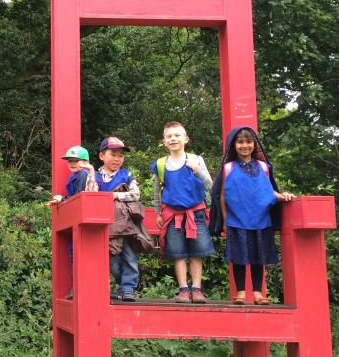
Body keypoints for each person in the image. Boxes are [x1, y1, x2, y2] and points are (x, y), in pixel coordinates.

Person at [209, 126, 295, 305]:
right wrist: (224, 220)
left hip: (261, 219)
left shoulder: (264, 166)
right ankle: (240, 293)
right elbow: (222, 195)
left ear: (254, 144)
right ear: (234, 145)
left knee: (259, 257)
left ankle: (257, 294)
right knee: (238, 258)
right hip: (236, 220)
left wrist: (283, 196)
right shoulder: (228, 167)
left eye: (248, 141)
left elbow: (269, 191)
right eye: (240, 142)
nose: (244, 145)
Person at [151, 121, 215, 303]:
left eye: (177, 135)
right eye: (169, 136)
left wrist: (196, 170)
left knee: (197, 252)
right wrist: (158, 213)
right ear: (164, 141)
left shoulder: (196, 160)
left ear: (186, 139)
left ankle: (196, 288)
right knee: (177, 253)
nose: (173, 139)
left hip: (196, 213)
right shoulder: (161, 164)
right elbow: (157, 192)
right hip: (172, 215)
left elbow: (209, 185)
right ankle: (183, 290)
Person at [95, 136, 152, 302]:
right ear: (102, 156)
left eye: (120, 155)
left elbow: (135, 194)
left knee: (129, 255)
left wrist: (114, 195)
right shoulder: (96, 176)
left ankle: (128, 287)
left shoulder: (127, 175)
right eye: (113, 154)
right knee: (112, 258)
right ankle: (122, 286)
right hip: (107, 224)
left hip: (126, 223)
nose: (117, 159)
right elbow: (91, 194)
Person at [48, 145, 98, 299]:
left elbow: (81, 196)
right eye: (70, 161)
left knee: (78, 255)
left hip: (82, 220)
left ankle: (80, 288)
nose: (72, 163)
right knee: (73, 254)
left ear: (85, 162)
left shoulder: (84, 175)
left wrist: (63, 199)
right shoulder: (75, 176)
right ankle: (77, 288)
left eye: (76, 160)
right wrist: (62, 199)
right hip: (75, 220)